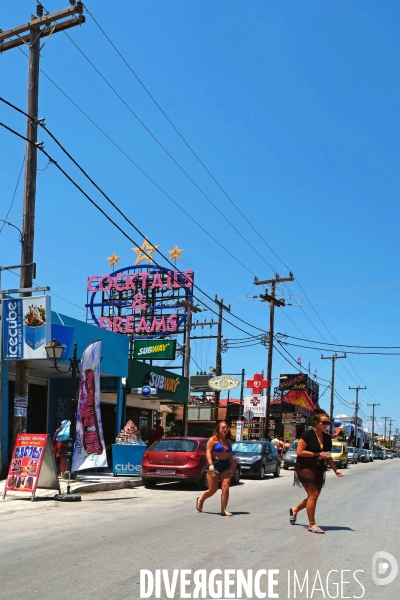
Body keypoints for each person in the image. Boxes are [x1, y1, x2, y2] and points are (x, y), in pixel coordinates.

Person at [290, 408, 344, 533]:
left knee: (313, 496)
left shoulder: (326, 438)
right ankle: (312, 524)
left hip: (319, 468)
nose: (326, 425)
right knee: (313, 494)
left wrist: (336, 470)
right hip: (305, 467)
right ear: (315, 422)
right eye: (323, 423)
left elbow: (327, 455)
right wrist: (317, 455)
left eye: (328, 423)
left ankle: (295, 509)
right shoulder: (307, 435)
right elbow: (299, 452)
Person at [196, 421, 236, 516]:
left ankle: (224, 510)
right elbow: (208, 452)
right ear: (218, 429)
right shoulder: (213, 440)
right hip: (215, 464)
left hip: (226, 465)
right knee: (212, 490)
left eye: (226, 428)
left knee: (225, 488)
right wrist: (210, 464)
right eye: (223, 428)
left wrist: (233, 466)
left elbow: (230, 455)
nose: (225, 430)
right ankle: (201, 499)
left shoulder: (229, 441)